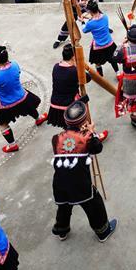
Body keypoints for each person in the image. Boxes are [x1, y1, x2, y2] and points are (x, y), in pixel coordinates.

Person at [50, 99, 118, 242]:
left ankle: (62, 230)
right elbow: (98, 148)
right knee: (94, 204)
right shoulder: (87, 138)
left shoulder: (56, 139)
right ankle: (103, 231)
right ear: (84, 122)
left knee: (64, 206)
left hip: (59, 183)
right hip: (80, 184)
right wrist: (91, 132)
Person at [0, 46, 46, 153]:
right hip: (21, 96)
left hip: (6, 104)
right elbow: (17, 73)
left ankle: (12, 145)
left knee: (2, 123)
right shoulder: (14, 65)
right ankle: (38, 118)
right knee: (30, 108)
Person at [81, 0, 118, 77]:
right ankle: (118, 74)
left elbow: (84, 30)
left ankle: (100, 76)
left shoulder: (90, 23)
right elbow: (97, 19)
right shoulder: (105, 17)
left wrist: (82, 21)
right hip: (109, 43)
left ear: (90, 11)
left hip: (98, 46)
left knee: (97, 63)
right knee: (113, 60)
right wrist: (90, 18)